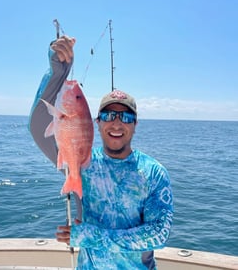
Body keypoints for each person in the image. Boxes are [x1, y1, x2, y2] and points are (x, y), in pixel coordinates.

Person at [29, 36, 173, 270]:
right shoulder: (83, 164)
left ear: (135, 124)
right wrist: (56, 71)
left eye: (125, 117)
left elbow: (159, 233)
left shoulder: (154, 173)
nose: (116, 124)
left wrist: (88, 236)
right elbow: (37, 126)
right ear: (96, 123)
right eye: (108, 116)